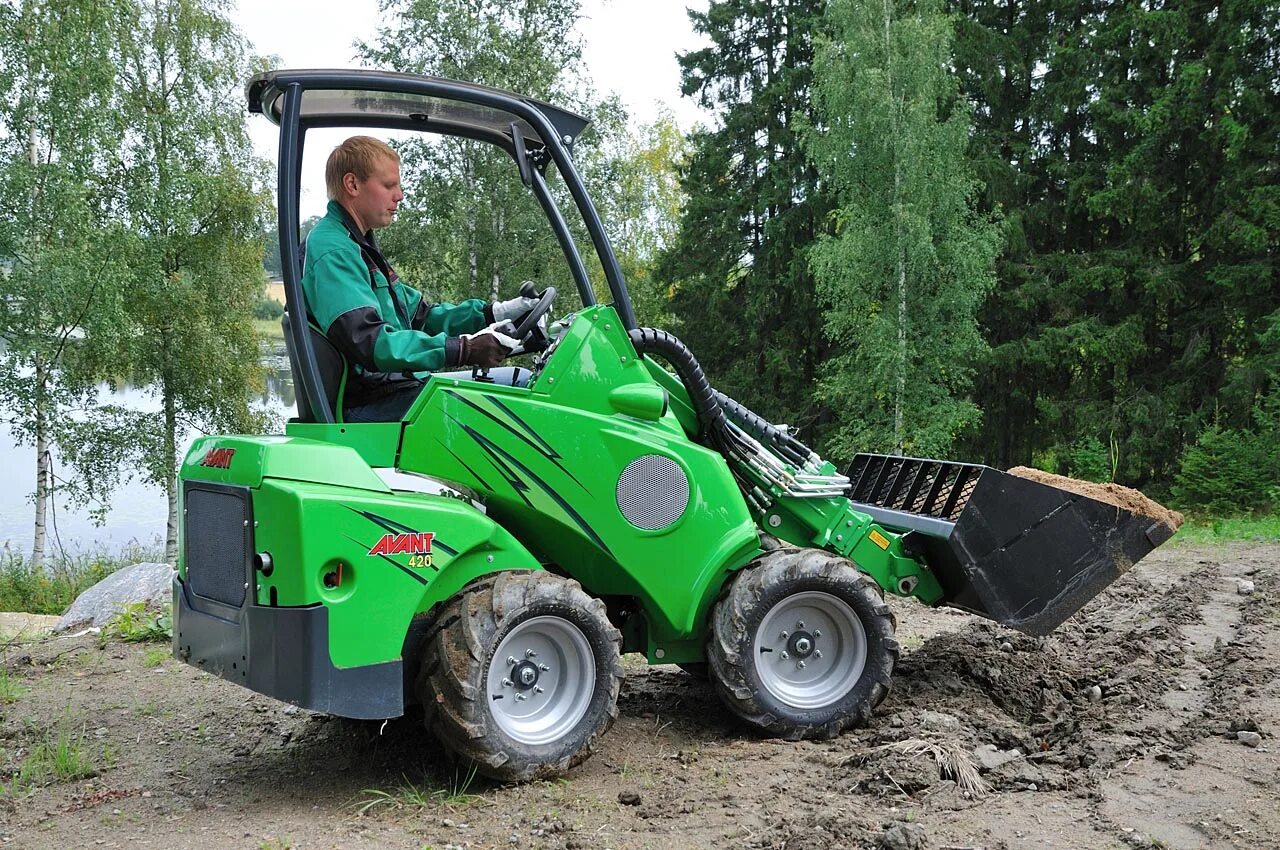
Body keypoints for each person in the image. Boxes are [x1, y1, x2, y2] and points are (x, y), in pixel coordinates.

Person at [301, 135, 539, 422]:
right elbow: (370, 341)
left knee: (523, 381)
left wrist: (495, 312)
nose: (399, 195)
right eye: (389, 185)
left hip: (393, 388)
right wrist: (464, 349)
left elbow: (422, 317)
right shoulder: (334, 250)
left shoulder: (358, 245)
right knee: (523, 402)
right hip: (370, 403)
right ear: (352, 185)